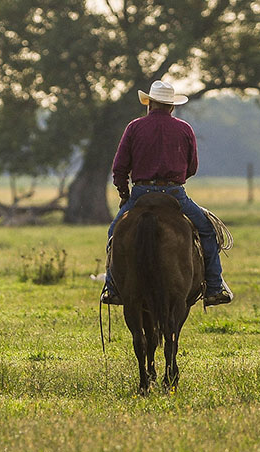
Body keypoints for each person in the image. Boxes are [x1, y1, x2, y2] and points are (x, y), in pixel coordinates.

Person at [100, 80, 233, 306]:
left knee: (115, 232)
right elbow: (192, 168)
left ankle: (112, 287)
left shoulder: (134, 127)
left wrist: (124, 193)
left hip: (140, 193)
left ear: (150, 104)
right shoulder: (184, 129)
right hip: (175, 194)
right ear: (171, 107)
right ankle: (213, 285)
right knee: (208, 231)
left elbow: (120, 167)